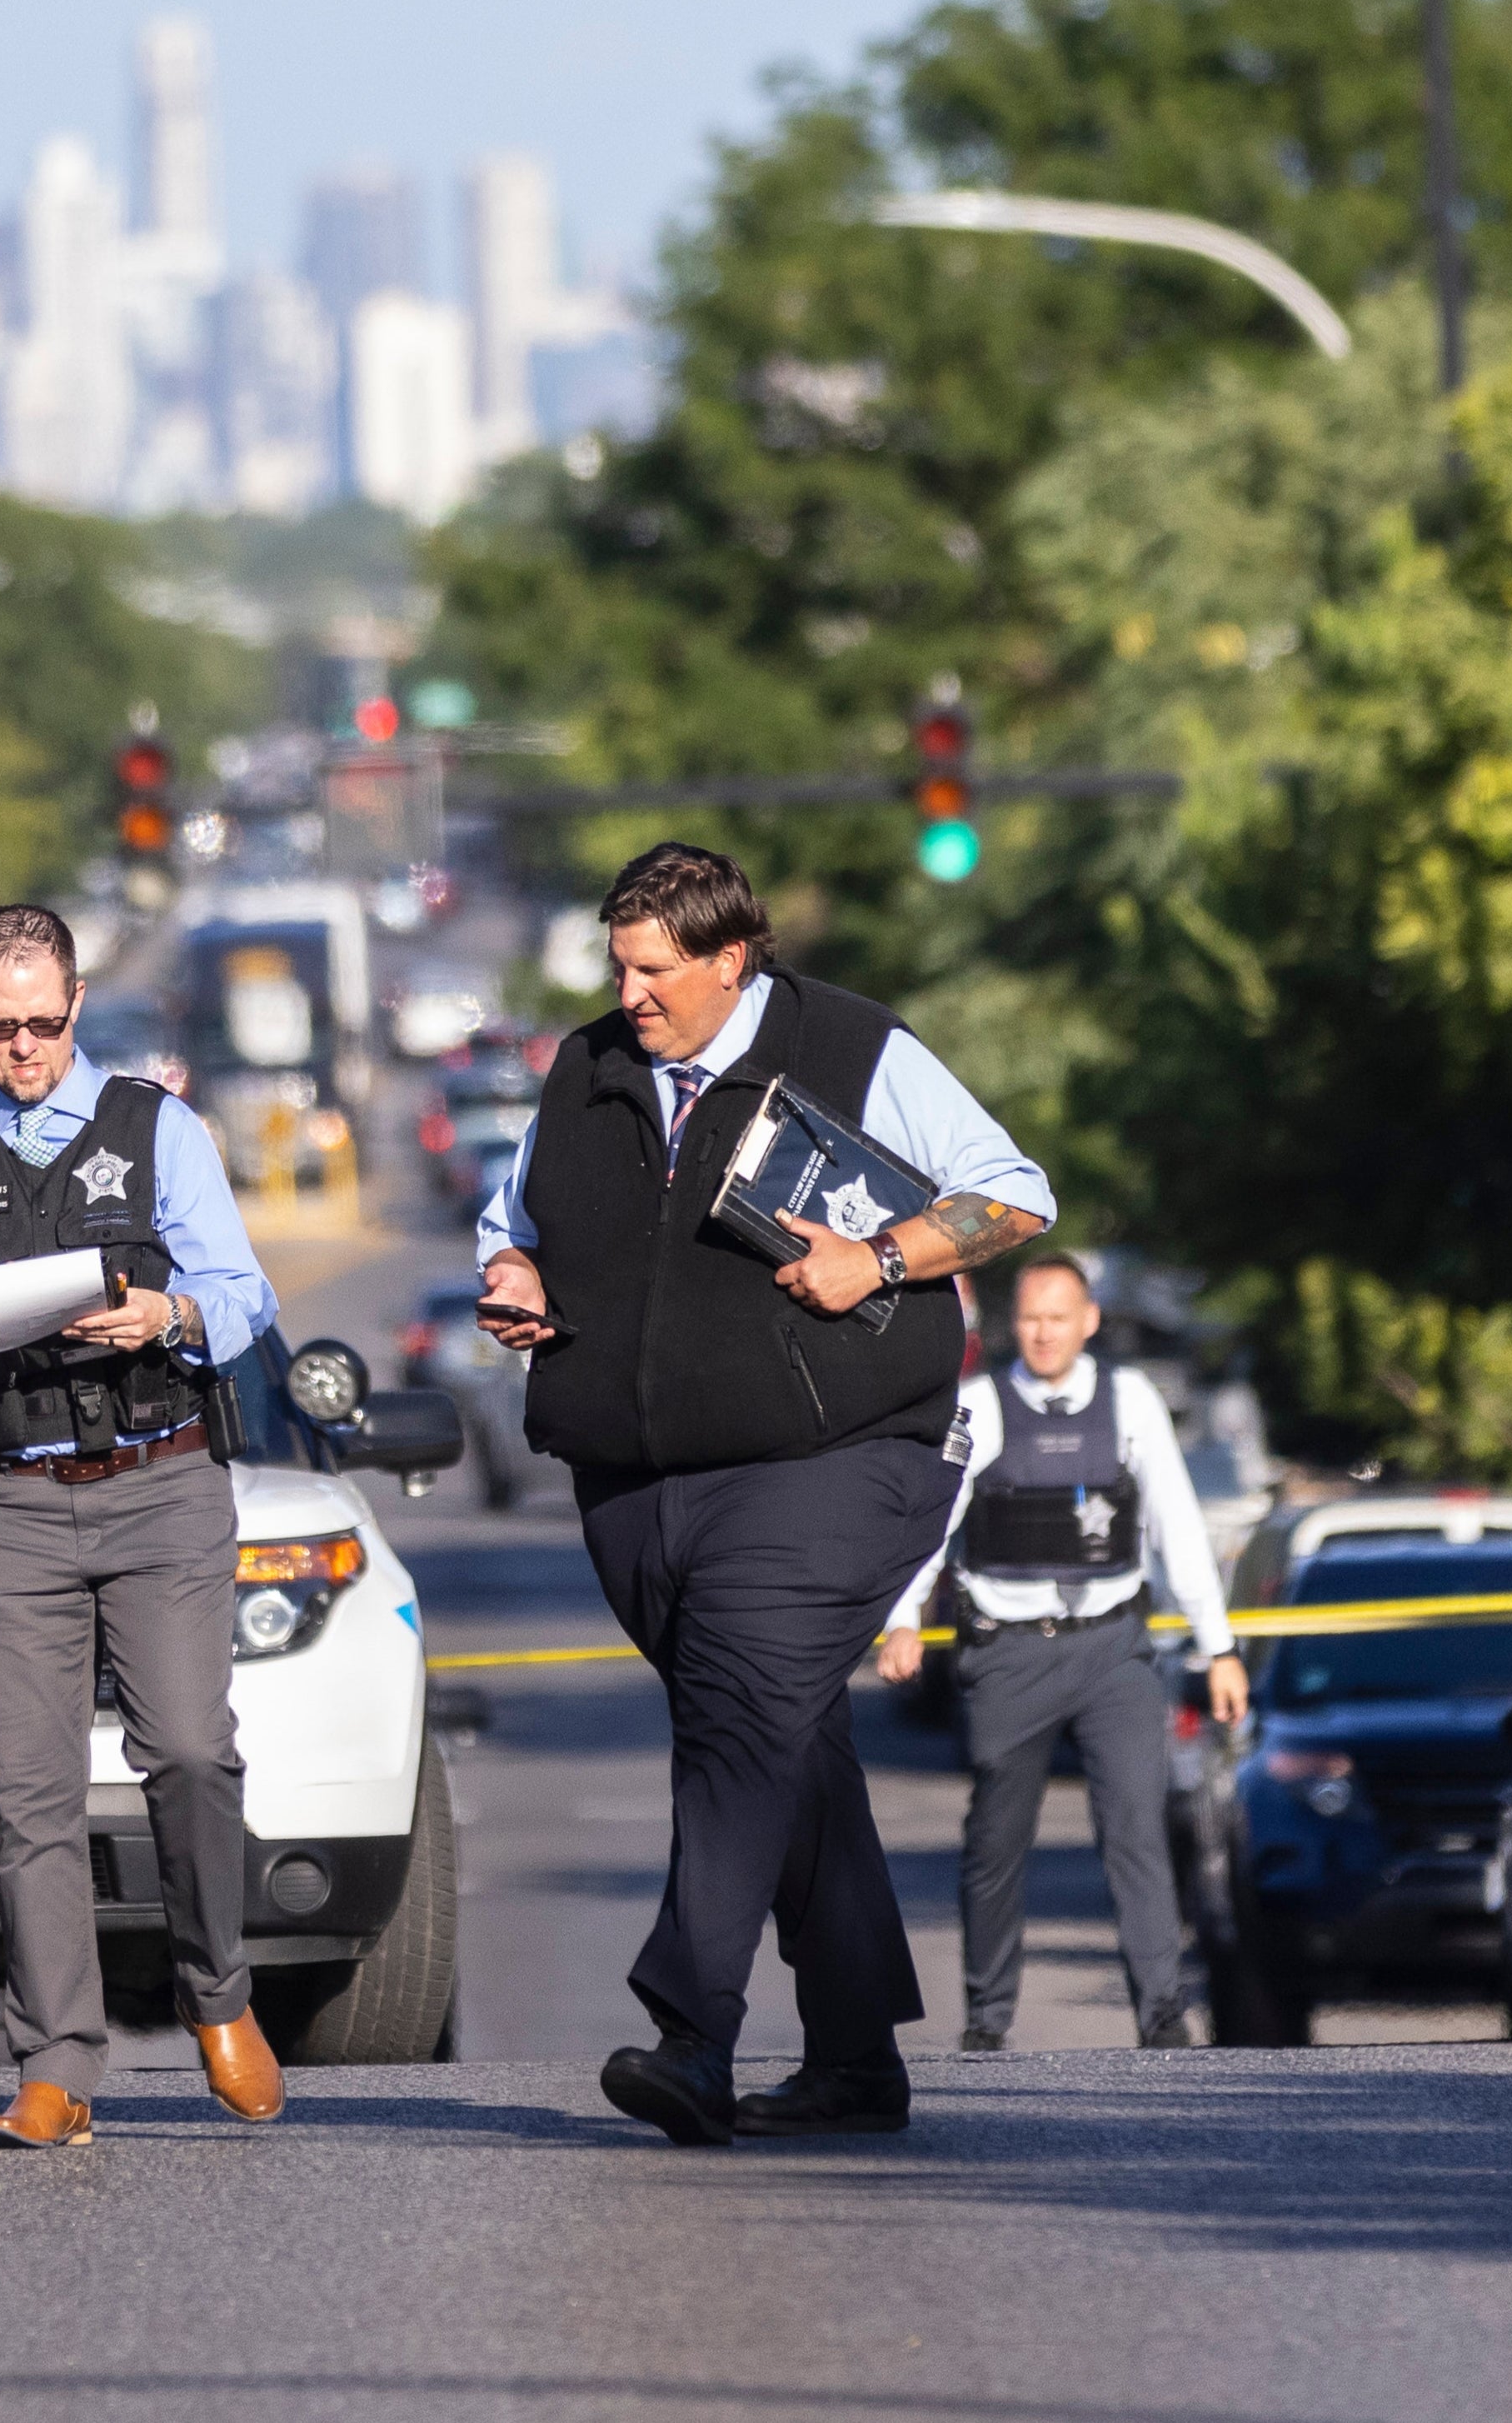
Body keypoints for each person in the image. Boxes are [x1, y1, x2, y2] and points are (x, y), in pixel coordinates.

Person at [480, 841, 1055, 2144]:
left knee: (739, 1714)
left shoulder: (852, 1048)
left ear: (727, 958)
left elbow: (1018, 1196)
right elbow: (508, 1216)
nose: (627, 994)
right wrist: (510, 1277)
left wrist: (886, 1255)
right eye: (616, 965)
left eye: (651, 971)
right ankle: (854, 2059)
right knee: (783, 1742)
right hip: (635, 1483)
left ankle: (693, 2034)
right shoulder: (587, 1071)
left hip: (836, 1459)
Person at [0, 903, 286, 2150]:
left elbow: (243, 1293)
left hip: (159, 1478)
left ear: (78, 1005)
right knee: (30, 1796)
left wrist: (169, 1319)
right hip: (7, 1500)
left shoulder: (159, 1130)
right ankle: (54, 2066)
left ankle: (218, 1995)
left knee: (191, 1753)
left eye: (42, 1025)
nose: (22, 1051)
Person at [873, 1252, 1245, 2051]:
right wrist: (902, 1618)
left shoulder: (1132, 1400)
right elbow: (931, 1523)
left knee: (1137, 1828)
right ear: (1016, 1326)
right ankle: (986, 2019)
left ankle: (1161, 2014)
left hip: (1112, 1647)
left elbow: (1175, 1526)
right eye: (1031, 1319)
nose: (1044, 1333)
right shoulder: (980, 1405)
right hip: (1009, 1653)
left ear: (1089, 1322)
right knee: (996, 1839)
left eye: (1059, 1317)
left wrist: (1220, 1647)